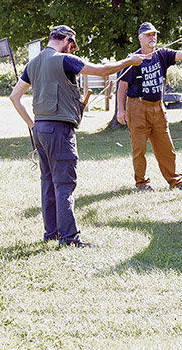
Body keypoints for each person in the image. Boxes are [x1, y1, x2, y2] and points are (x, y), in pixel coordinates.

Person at [9, 25, 148, 247]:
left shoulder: (33, 63)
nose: (72, 50)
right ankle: (69, 238)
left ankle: (52, 233)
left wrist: (32, 124)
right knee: (64, 183)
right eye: (72, 45)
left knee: (48, 183)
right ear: (65, 40)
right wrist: (128, 62)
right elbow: (103, 71)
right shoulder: (63, 60)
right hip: (59, 131)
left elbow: (15, 97)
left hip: (41, 130)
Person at [116, 22, 182, 191]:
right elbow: (122, 86)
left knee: (167, 148)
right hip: (137, 107)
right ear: (140, 38)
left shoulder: (163, 54)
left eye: (154, 34)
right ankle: (142, 183)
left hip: (158, 107)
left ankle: (175, 181)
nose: (152, 37)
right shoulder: (133, 59)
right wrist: (120, 110)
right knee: (139, 149)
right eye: (148, 34)